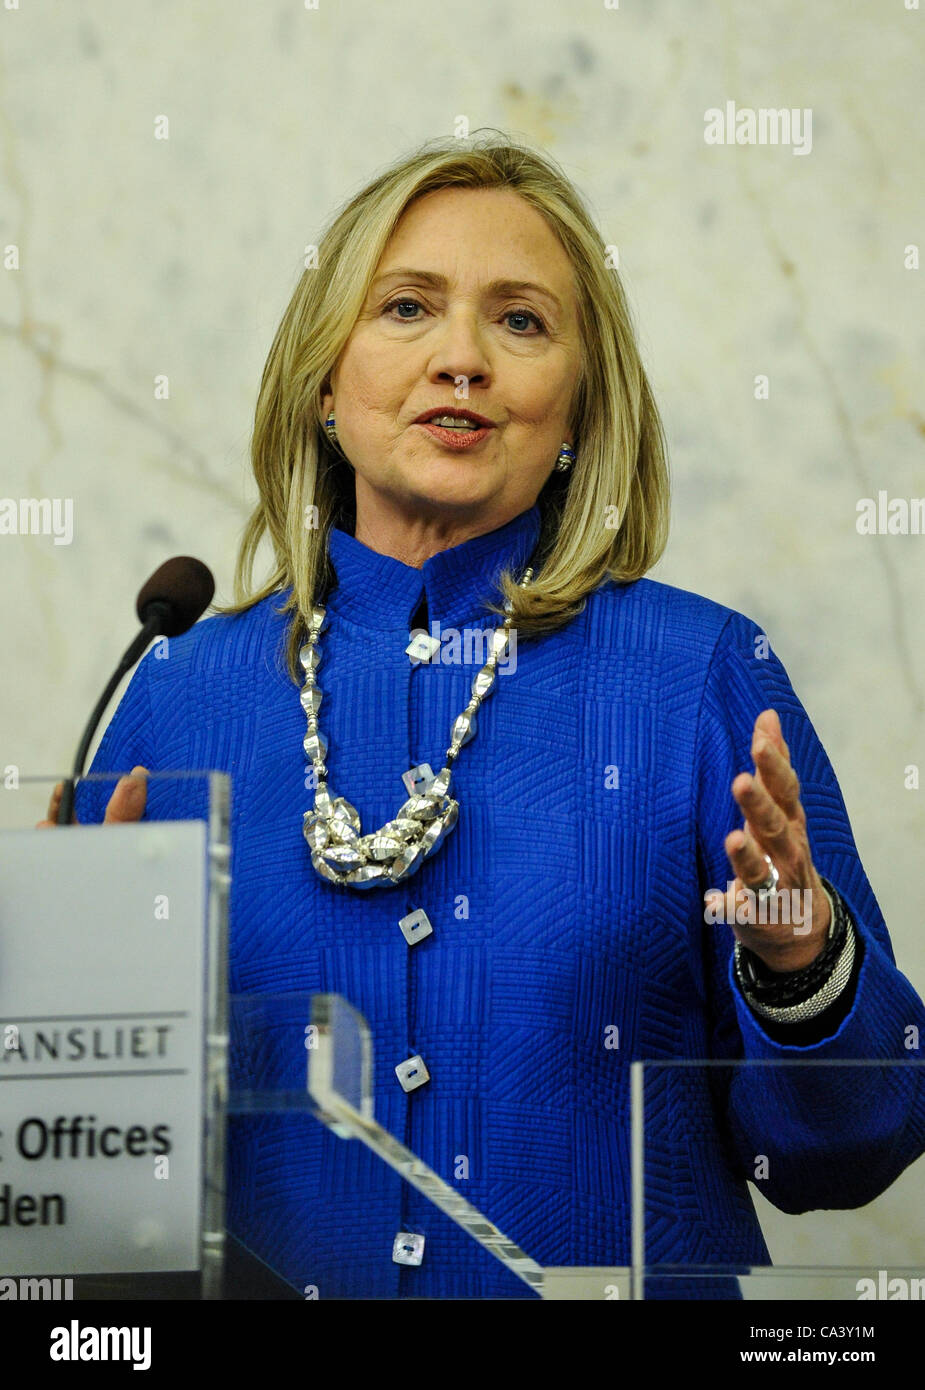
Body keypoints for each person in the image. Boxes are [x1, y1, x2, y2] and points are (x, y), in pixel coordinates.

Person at [47, 135, 925, 1299]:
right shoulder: (176, 693)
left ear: (577, 410)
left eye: (520, 322)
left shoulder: (699, 674)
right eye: (407, 307)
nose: (461, 358)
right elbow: (84, 1198)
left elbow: (845, 1159)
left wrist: (800, 963)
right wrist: (62, 1022)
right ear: (322, 380)